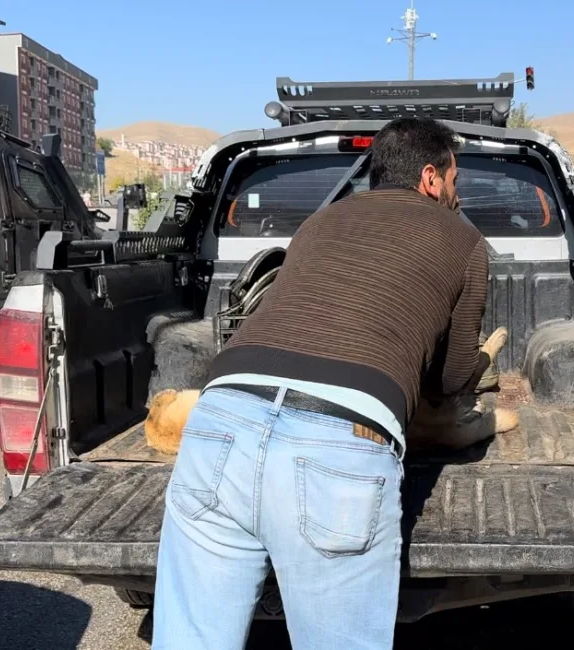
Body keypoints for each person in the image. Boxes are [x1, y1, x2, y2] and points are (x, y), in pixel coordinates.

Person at [152, 117, 489, 650]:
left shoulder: (320, 220)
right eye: (454, 181)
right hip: (339, 446)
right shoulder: (466, 240)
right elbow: (448, 380)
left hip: (220, 423)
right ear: (430, 178)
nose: (457, 193)